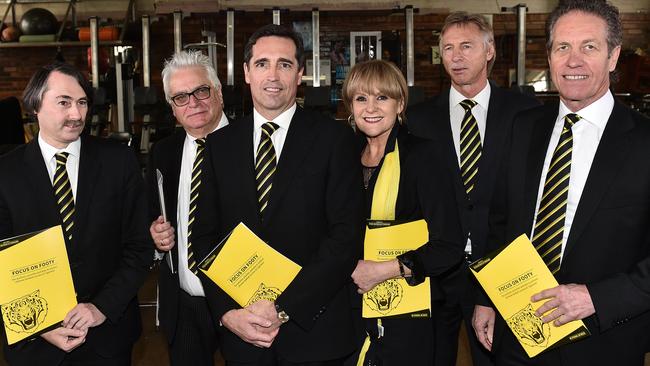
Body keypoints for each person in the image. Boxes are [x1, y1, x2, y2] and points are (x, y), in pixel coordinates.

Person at [472, 1, 650, 365]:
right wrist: (487, 297)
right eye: (562, 47)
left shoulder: (645, 142)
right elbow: (501, 221)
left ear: (613, 56)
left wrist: (595, 299)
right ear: (550, 56)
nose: (573, 61)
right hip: (518, 333)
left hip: (603, 340)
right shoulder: (524, 128)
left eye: (589, 46)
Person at [192, 24, 364, 366]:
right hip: (244, 333)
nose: (273, 75)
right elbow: (204, 238)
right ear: (246, 72)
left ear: (300, 73)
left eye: (284, 64)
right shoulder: (217, 146)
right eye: (262, 63)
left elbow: (345, 238)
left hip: (315, 333)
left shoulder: (335, 140)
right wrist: (227, 313)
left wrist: (282, 308)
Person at [406, 12, 539, 366]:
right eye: (447, 48)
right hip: (434, 274)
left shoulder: (525, 112)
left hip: (500, 270)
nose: (456, 56)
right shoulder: (419, 119)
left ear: (489, 50)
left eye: (466, 46)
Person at [0, 62, 152, 365]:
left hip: (108, 337)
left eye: (82, 102)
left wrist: (100, 308)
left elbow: (140, 247)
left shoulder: (118, 162)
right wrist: (41, 325)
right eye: (64, 102)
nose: (76, 114)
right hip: (34, 343)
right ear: (35, 105)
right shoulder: (5, 173)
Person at [345, 60, 464, 365]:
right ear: (350, 106)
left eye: (382, 97)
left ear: (399, 104)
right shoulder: (342, 158)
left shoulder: (424, 156)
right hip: (349, 311)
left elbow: (449, 244)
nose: (371, 107)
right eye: (361, 98)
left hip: (411, 315)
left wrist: (383, 270)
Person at [148, 50, 229, 366]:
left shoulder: (250, 145)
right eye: (180, 97)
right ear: (172, 108)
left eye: (200, 91)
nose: (192, 103)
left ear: (218, 91)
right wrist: (155, 235)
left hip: (244, 300)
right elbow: (152, 214)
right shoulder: (163, 153)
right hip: (184, 304)